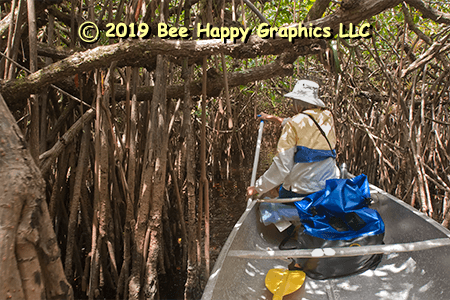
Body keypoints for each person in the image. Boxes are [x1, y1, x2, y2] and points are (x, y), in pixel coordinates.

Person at [247, 79, 340, 201]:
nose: (292, 104)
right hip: (328, 186)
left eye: (294, 101)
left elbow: (282, 166)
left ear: (299, 103)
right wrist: (273, 118)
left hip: (301, 191)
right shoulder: (328, 116)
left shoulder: (294, 124)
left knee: (273, 188)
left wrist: (257, 188)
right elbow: (305, 123)